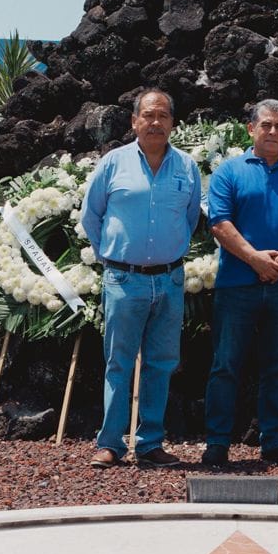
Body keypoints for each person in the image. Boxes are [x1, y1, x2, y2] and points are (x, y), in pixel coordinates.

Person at [78, 89, 202, 468]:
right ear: (134, 121)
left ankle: (149, 443)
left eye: (163, 116)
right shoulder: (113, 164)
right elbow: (91, 216)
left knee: (161, 363)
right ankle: (111, 443)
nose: (155, 122)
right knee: (118, 362)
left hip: (169, 281)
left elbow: (192, 217)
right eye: (148, 115)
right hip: (124, 280)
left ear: (172, 123)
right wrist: (112, 257)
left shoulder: (186, 168)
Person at [201, 98, 278, 467]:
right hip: (237, 285)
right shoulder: (230, 172)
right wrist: (255, 259)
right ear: (251, 129)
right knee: (225, 365)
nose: (273, 132)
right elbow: (220, 223)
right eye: (266, 125)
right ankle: (218, 442)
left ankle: (273, 441)